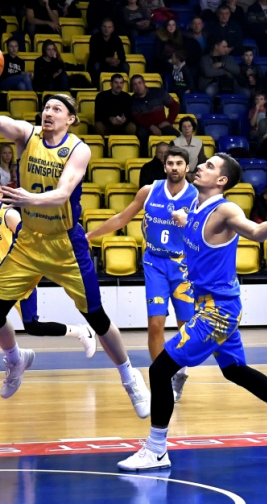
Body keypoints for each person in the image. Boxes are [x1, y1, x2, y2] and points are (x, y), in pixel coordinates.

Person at [0, 61, 150, 410]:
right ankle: (16, 359)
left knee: (97, 317)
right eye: (46, 107)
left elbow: (62, 194)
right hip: (29, 241)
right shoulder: (26, 135)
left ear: (70, 119)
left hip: (65, 244)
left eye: (57, 109)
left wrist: (28, 199)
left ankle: (129, 376)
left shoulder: (79, 149)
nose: (48, 112)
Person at [116, 154, 267, 472]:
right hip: (212, 304)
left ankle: (156, 450)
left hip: (217, 311)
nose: (201, 167)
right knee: (235, 370)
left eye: (209, 166)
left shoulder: (226, 210)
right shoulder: (196, 207)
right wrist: (183, 221)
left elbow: (256, 232)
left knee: (160, 370)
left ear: (221, 181)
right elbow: (198, 233)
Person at [87, 148, 198, 400]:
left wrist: (190, 221)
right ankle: (162, 378)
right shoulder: (149, 191)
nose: (174, 167)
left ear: (187, 167)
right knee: (155, 325)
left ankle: (180, 372)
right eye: (170, 163)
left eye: (179, 163)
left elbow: (208, 233)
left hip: (183, 266)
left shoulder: (196, 197)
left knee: (186, 327)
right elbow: (121, 219)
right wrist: (90, 235)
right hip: (155, 263)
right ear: (164, 166)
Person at [0, 179, 96, 375]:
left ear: (2, 194)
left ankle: (80, 331)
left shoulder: (9, 215)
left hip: (19, 274)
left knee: (32, 326)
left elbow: (30, 240)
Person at [131, 74, 180, 150]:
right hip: (145, 127)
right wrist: (150, 126)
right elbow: (136, 118)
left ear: (144, 83)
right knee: (140, 135)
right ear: (132, 87)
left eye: (139, 83)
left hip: (162, 124)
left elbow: (174, 105)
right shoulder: (132, 100)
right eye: (135, 84)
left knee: (177, 136)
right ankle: (145, 156)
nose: (138, 86)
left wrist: (169, 121)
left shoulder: (158, 92)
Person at [89, 19, 128, 85]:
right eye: (104, 27)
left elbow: (122, 56)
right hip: (99, 61)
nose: (106, 29)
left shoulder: (116, 39)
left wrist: (118, 61)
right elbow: (93, 55)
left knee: (125, 66)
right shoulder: (94, 38)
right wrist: (106, 59)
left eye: (109, 27)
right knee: (96, 65)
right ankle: (97, 86)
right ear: (101, 27)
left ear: (112, 29)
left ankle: (123, 86)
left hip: (112, 63)